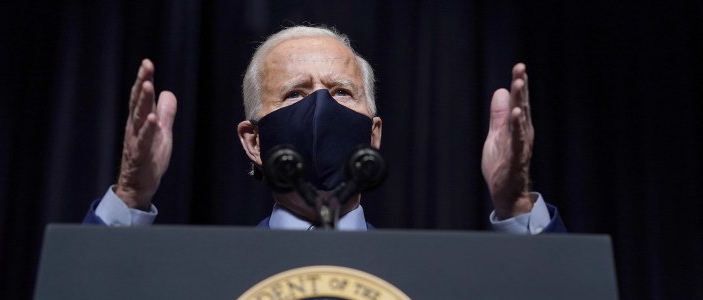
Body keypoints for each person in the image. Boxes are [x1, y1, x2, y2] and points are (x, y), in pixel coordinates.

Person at [84, 25, 565, 233]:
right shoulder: (206, 271)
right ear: (253, 142)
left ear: (373, 134)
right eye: (294, 93)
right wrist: (129, 193)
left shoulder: (426, 272)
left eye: (340, 92)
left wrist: (516, 203)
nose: (320, 107)